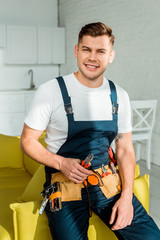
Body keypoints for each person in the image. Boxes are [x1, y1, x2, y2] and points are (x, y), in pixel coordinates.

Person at [20, 22, 160, 240]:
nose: (92, 58)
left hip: (107, 182)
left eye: (100, 51)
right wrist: (61, 163)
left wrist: (126, 197)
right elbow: (27, 140)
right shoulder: (51, 91)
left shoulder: (119, 95)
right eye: (87, 49)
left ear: (111, 55)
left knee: (150, 236)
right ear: (77, 50)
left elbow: (124, 149)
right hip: (64, 184)